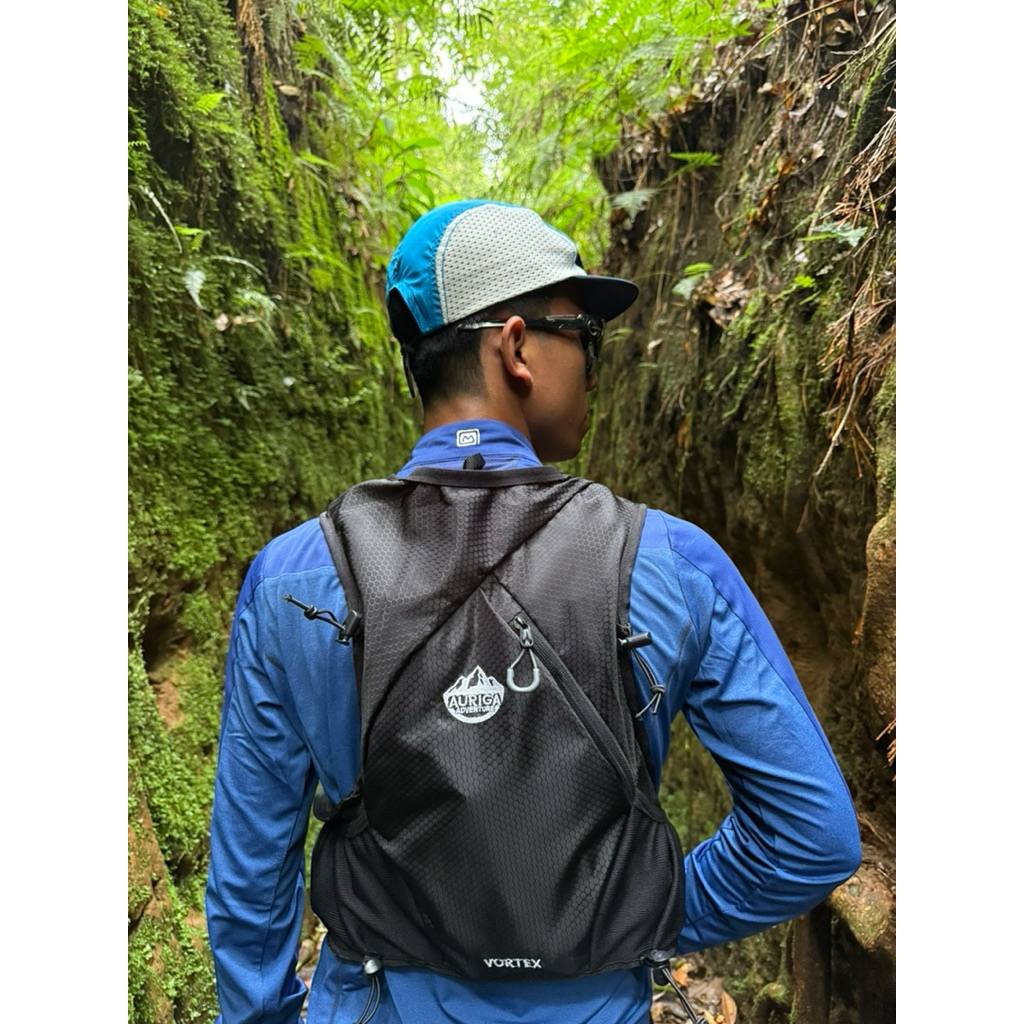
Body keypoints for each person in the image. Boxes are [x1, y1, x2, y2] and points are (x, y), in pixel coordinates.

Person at [205, 199, 861, 1024]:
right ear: (516, 347)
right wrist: (629, 911)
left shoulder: (293, 579)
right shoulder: (669, 563)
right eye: (584, 336)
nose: (592, 366)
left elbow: (252, 877)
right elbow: (809, 836)